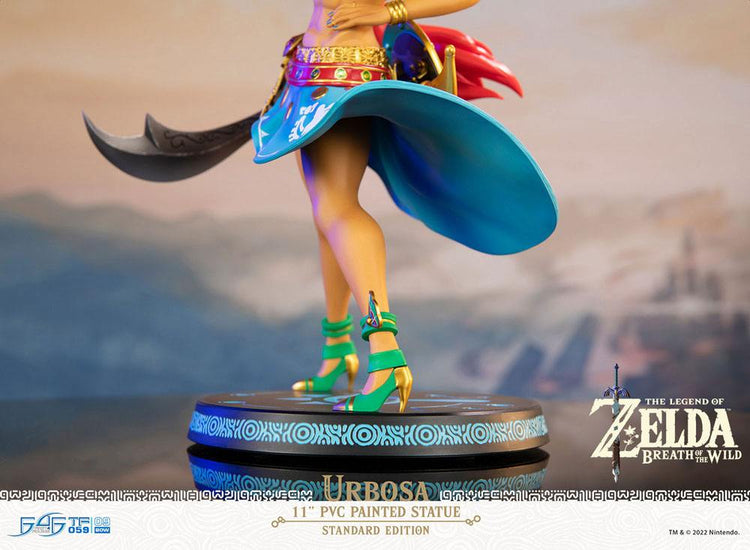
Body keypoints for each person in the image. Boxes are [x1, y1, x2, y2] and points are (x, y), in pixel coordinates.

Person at [251, 0, 557, 413]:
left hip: (343, 70)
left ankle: (386, 356)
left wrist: (387, 12)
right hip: (308, 70)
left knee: (337, 210)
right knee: (326, 212)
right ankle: (337, 346)